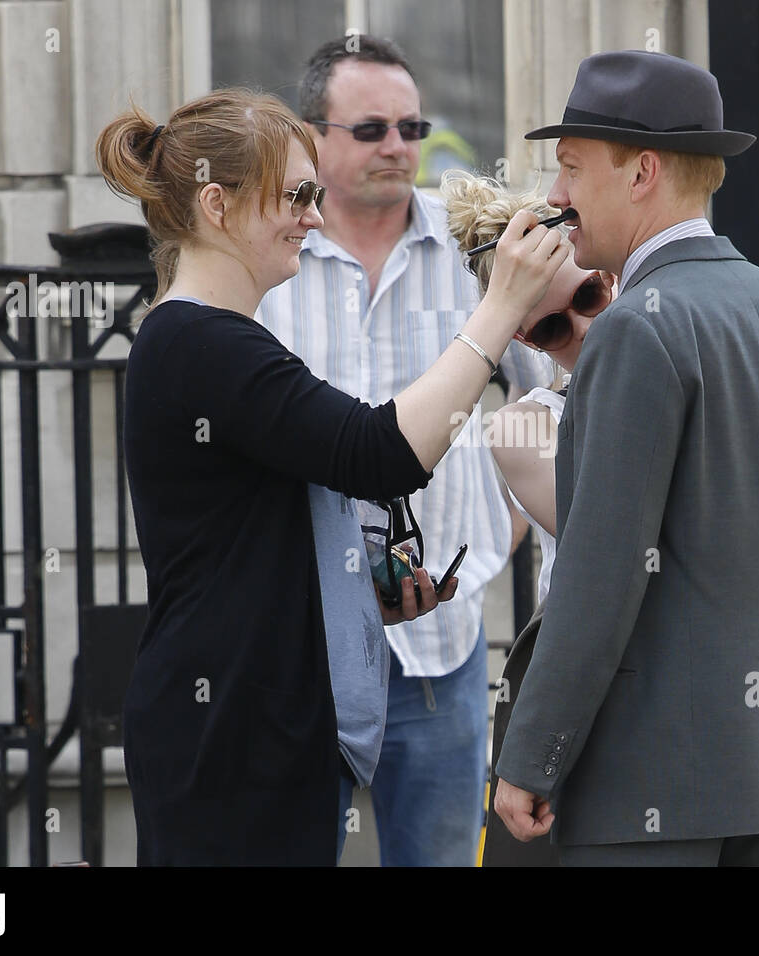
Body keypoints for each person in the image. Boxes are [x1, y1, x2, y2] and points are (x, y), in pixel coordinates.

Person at [95, 87, 569, 865]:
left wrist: (353, 596)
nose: (314, 217)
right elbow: (380, 454)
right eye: (296, 195)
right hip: (228, 733)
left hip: (252, 719)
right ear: (217, 204)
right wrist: (499, 307)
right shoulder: (199, 342)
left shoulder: (209, 339)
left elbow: (257, 538)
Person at [490, 50, 759, 866]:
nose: (556, 198)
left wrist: (532, 758)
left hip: (654, 792)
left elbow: (602, 573)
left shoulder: (637, 327)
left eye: (569, 169)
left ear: (642, 173)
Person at [254, 35, 553, 867]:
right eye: (373, 128)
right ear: (313, 137)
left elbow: (549, 392)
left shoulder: (472, 255)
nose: (399, 146)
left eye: (412, 127)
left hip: (439, 640)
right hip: (302, 639)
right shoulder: (272, 256)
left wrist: (509, 523)